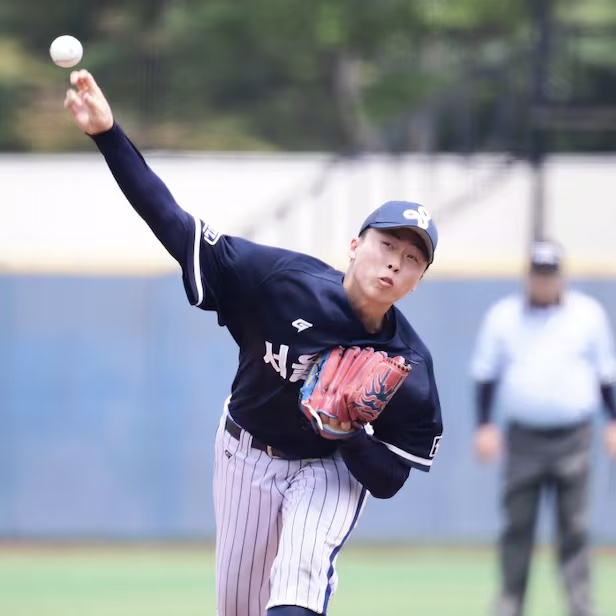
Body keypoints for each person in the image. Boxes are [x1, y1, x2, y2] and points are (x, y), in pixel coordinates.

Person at [63, 70, 443, 616]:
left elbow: (388, 480)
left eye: (411, 259)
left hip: (329, 466)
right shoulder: (276, 281)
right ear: (354, 245)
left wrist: (351, 435)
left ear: (417, 281)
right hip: (247, 453)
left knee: (299, 582)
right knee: (240, 607)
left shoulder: (409, 366)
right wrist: (107, 134)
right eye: (387, 245)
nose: (394, 263)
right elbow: (172, 222)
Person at [470, 240, 616, 616]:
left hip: (574, 437)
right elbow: (485, 374)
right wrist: (484, 425)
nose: (544, 283)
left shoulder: (587, 315)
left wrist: (613, 420)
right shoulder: (504, 317)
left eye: (550, 275)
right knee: (517, 525)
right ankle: (509, 605)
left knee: (575, 528)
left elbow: (605, 374)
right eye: (538, 275)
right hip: (524, 438)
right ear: (528, 277)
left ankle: (581, 607)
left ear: (561, 277)